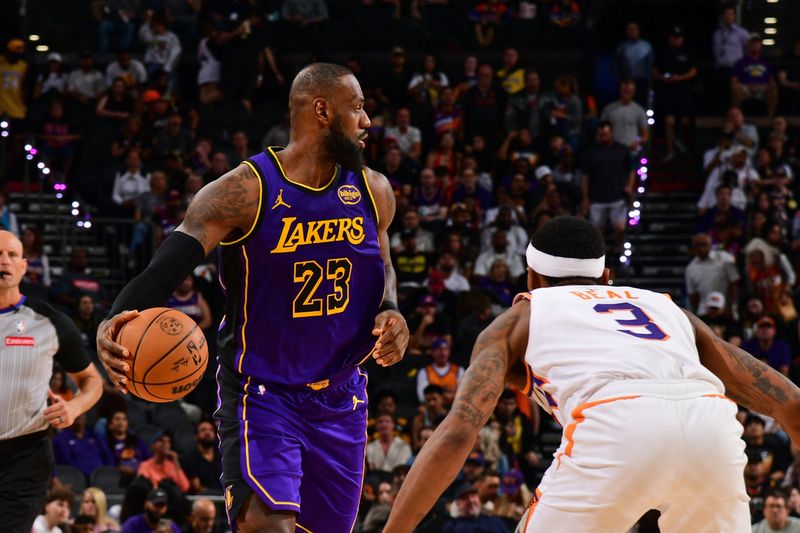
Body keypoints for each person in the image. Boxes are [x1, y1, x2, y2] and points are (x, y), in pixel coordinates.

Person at [97, 63, 409, 533]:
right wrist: (114, 318)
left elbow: (381, 263)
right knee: (269, 527)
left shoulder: (374, 190)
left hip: (343, 395)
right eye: (358, 108)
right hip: (263, 393)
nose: (367, 122)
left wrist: (391, 310)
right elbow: (163, 271)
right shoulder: (244, 191)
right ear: (322, 110)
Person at [385, 216, 800, 532]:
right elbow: (789, 402)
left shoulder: (519, 318)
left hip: (615, 425)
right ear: (607, 277)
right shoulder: (667, 308)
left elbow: (459, 432)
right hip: (713, 430)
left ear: (531, 278)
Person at [0, 230, 103, 533]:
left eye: (11, 255)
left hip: (25, 455)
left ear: (23, 265)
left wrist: (74, 408)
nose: (3, 261)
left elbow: (91, 379)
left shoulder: (49, 321)